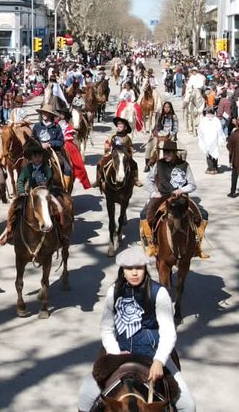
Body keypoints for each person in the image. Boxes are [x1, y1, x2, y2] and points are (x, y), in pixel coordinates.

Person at [75, 246, 197, 412]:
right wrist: (115, 353)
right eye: (129, 268)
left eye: (138, 268)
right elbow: (106, 328)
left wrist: (159, 361)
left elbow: (168, 332)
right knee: (85, 396)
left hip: (152, 354)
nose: (134, 273)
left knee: (187, 405)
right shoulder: (114, 291)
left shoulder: (159, 293)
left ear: (145, 269)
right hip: (119, 352)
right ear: (122, 270)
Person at [141, 140, 209, 259]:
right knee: (144, 214)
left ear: (174, 153)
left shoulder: (184, 165)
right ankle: (152, 244)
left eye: (168, 153)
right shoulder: (159, 164)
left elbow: (192, 185)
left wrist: (182, 190)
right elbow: (149, 180)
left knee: (202, 214)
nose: (165, 155)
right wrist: (153, 192)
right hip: (163, 195)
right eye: (164, 153)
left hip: (180, 196)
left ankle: (197, 245)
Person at [196, 107, 225, 174]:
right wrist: (220, 138)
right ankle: (215, 167)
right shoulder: (216, 120)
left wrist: (201, 138)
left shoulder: (204, 120)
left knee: (208, 154)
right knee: (215, 153)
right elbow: (220, 130)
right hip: (214, 139)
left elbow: (200, 130)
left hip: (206, 139)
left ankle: (210, 168)